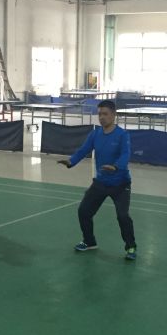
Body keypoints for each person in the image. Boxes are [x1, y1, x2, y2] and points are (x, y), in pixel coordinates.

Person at [57, 100, 137, 260]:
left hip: (120, 184)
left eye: (105, 114)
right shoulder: (95, 134)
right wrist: (71, 161)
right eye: (99, 114)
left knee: (123, 216)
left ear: (113, 115)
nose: (102, 117)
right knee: (84, 211)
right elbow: (83, 150)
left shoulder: (122, 135)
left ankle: (131, 247)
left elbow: (125, 154)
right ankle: (89, 241)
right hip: (101, 182)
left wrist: (116, 166)